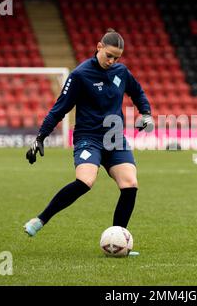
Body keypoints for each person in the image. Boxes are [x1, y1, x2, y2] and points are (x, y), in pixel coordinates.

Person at [23, 28, 154, 237]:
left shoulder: (121, 72)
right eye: (109, 55)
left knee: (130, 184)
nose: (112, 61)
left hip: (115, 139)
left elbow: (137, 92)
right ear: (99, 47)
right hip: (89, 138)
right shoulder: (80, 75)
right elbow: (60, 108)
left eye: (117, 57)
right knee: (85, 181)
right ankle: (40, 219)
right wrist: (40, 137)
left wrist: (146, 113)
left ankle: (118, 238)